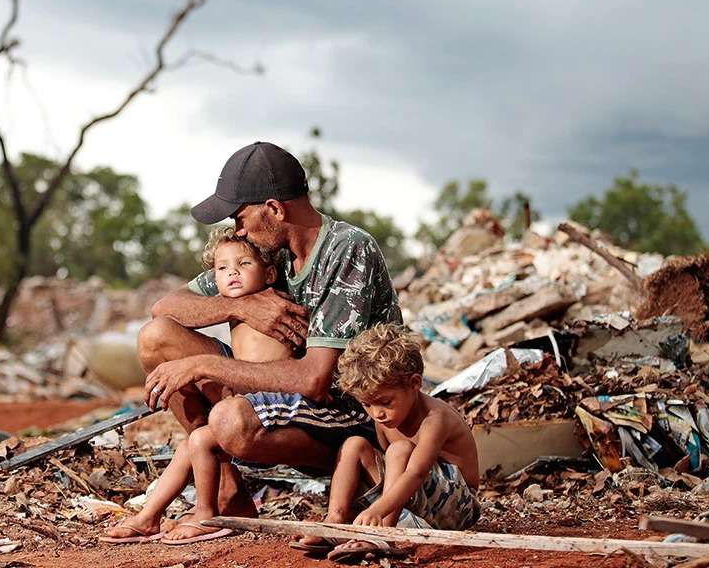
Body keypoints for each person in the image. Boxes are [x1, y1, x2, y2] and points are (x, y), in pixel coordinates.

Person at [139, 141, 402, 524]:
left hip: (347, 415)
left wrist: (203, 366)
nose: (237, 229)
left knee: (229, 420)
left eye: (240, 217)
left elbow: (315, 380)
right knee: (156, 336)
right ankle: (228, 489)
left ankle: (343, 479)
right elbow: (165, 307)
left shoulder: (347, 249)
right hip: (281, 400)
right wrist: (237, 305)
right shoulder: (265, 249)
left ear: (275, 209)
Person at [103, 228, 292, 545]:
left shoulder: (276, 301)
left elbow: (277, 369)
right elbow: (164, 307)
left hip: (271, 400)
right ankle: (150, 517)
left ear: (270, 273)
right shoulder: (235, 293)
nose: (232, 272)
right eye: (222, 268)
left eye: (243, 264)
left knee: (199, 441)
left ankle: (206, 510)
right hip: (243, 389)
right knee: (190, 445)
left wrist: (236, 390)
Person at [293, 323, 480, 560]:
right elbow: (392, 473)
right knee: (354, 445)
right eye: (367, 404)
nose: (377, 413)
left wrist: (377, 510)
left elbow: (414, 473)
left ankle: (384, 534)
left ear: (414, 383)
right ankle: (335, 523)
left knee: (399, 450)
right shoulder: (383, 419)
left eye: (385, 402)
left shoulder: (435, 419)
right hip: (417, 500)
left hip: (458, 506)